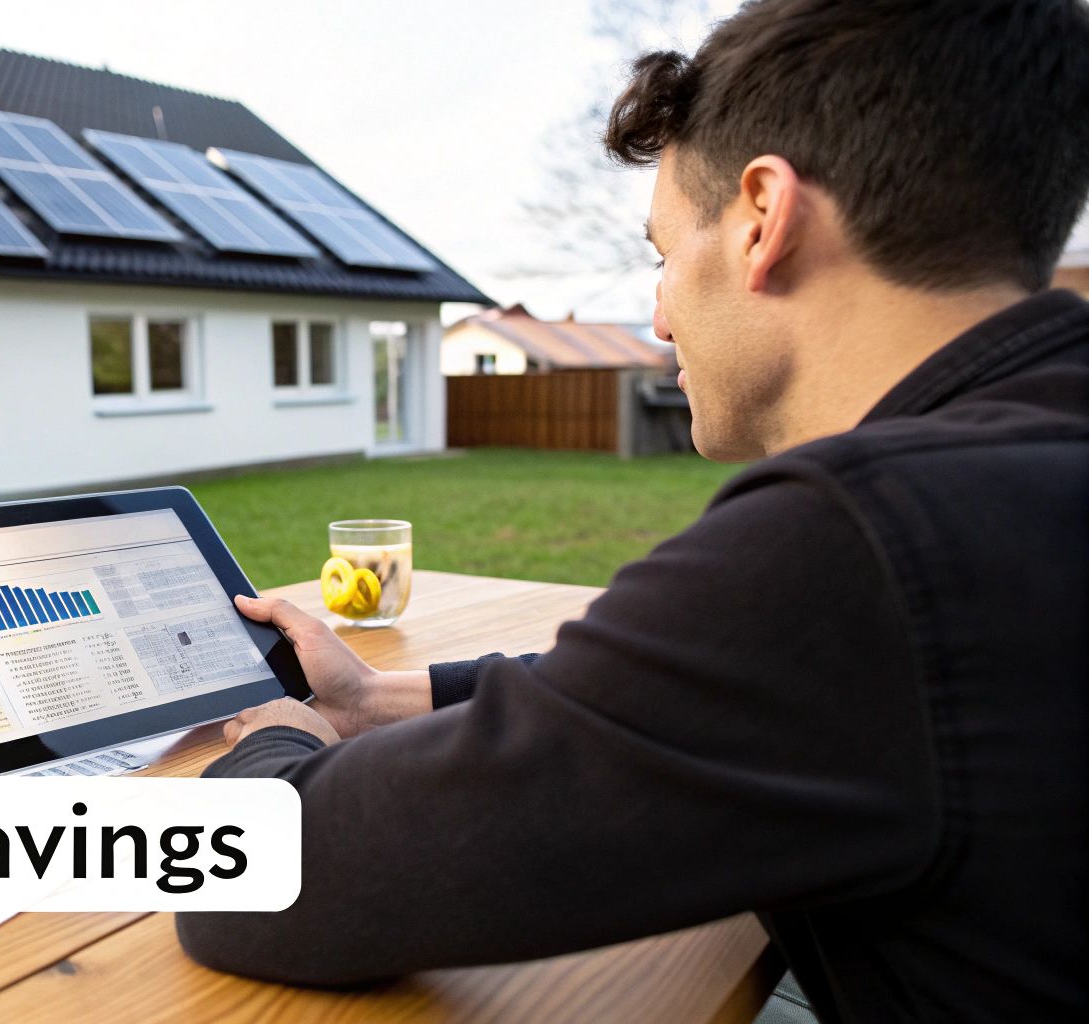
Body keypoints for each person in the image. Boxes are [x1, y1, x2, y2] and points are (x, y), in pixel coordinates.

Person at [173, 0, 1089, 1019]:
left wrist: (278, 741)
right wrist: (375, 698)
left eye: (662, 253)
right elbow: (678, 696)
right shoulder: (1022, 469)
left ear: (761, 219)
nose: (656, 318)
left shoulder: (861, 541)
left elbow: (264, 878)